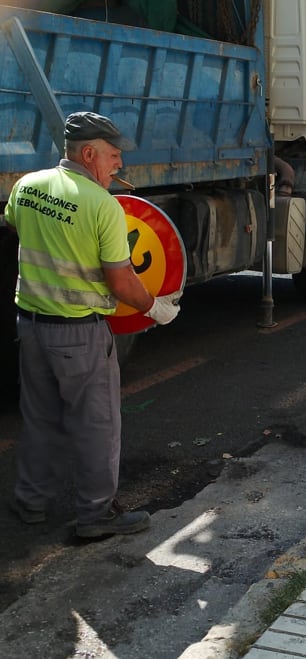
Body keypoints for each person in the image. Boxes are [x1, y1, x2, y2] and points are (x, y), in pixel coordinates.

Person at [5, 111, 181, 538]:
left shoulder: (27, 186)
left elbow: (14, 224)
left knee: (40, 418)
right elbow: (121, 281)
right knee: (97, 426)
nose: (120, 165)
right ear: (89, 153)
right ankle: (95, 515)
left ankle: (30, 502)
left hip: (29, 327)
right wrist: (156, 308)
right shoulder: (102, 205)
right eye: (114, 155)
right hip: (79, 334)